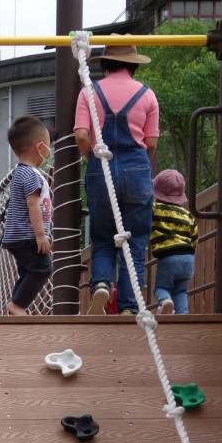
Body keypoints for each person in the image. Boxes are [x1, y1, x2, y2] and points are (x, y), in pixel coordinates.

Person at [73, 46, 160, 315]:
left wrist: (93, 158)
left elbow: (82, 135)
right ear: (132, 65)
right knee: (134, 241)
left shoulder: (89, 91)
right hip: (136, 171)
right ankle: (128, 306)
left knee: (102, 236)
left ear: (105, 65)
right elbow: (151, 142)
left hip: (102, 169)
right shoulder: (147, 95)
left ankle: (100, 283)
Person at [1, 115, 55, 316]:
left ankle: (15, 306)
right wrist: (40, 235)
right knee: (42, 269)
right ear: (39, 147)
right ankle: (17, 305)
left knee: (27, 271)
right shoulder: (30, 174)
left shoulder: (21, 172)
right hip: (27, 236)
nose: (49, 152)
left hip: (18, 237)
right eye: (48, 146)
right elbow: (33, 205)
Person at [150, 168, 199, 314]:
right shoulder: (188, 214)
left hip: (168, 257)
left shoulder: (155, 208)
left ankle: (165, 302)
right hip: (188, 258)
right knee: (181, 291)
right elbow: (194, 237)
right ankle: (182, 316)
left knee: (161, 288)